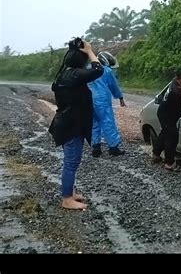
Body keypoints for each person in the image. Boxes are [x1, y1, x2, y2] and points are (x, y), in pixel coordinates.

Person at [48, 38, 104, 210]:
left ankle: (69, 193)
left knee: (73, 160)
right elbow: (98, 69)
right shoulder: (74, 75)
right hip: (70, 125)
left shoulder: (65, 73)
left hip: (69, 122)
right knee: (71, 162)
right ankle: (66, 199)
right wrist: (89, 51)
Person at [87, 51, 126, 157]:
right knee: (108, 122)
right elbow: (114, 86)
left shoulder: (88, 68)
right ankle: (113, 148)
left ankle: (96, 148)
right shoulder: (107, 71)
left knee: (94, 123)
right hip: (102, 100)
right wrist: (120, 97)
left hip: (89, 100)